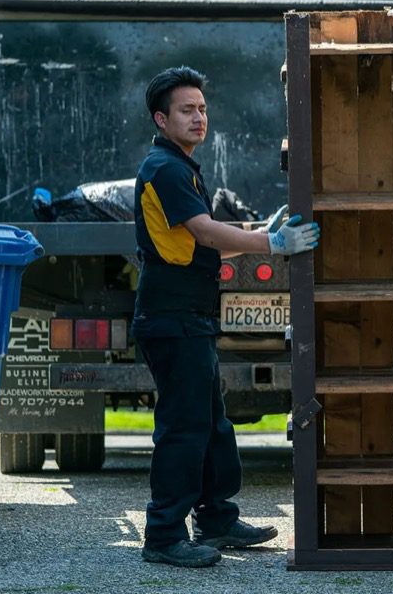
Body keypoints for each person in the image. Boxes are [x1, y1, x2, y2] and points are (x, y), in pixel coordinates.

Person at [133, 66, 319, 568]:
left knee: (213, 425)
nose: (199, 118)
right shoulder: (166, 169)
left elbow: (202, 244)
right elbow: (208, 233)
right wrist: (271, 243)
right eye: (186, 110)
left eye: (202, 109)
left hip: (190, 316)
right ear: (161, 118)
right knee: (184, 428)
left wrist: (261, 232)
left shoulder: (181, 166)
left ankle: (216, 518)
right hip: (171, 319)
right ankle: (164, 535)